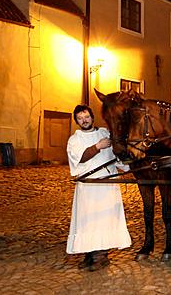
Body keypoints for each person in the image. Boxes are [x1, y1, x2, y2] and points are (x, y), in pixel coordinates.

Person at [66, 104, 131, 271]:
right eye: (80, 118)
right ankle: (90, 254)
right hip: (88, 187)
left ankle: (101, 256)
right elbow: (79, 158)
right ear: (76, 121)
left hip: (107, 185)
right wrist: (97, 147)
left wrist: (125, 159)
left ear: (92, 117)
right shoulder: (75, 140)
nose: (84, 120)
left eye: (86, 117)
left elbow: (118, 154)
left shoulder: (104, 133)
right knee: (88, 221)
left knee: (104, 220)